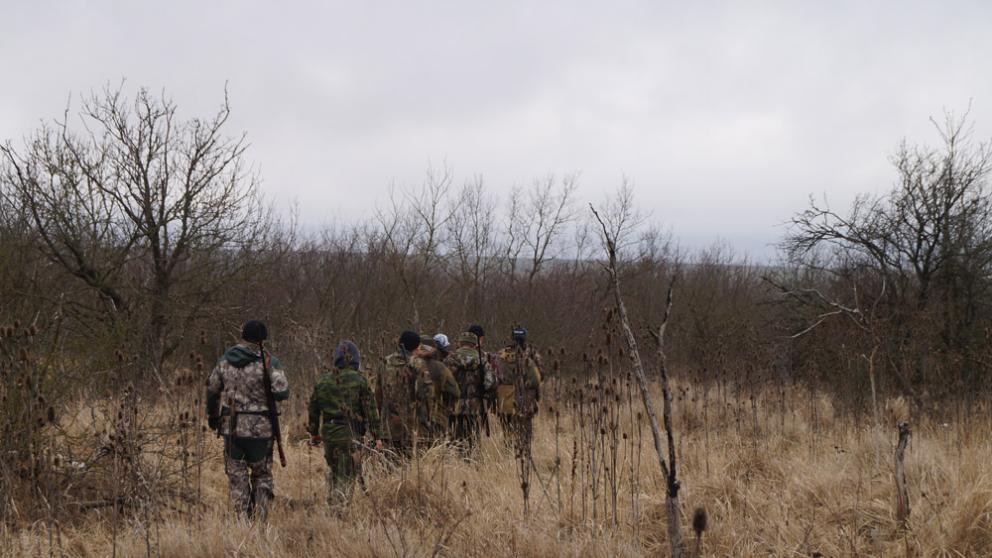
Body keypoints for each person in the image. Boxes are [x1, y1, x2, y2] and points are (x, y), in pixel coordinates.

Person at [205, 320, 289, 520]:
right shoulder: (269, 362)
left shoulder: (224, 361)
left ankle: (242, 521)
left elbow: (212, 390)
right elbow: (282, 392)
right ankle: (259, 519)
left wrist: (213, 417)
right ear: (262, 340)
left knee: (237, 477)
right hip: (261, 431)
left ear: (242, 337)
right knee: (262, 476)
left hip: (232, 429)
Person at [307, 340, 381, 508]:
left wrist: (314, 434)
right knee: (346, 475)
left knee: (335, 471)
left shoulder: (323, 381)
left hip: (329, 434)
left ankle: (334, 506)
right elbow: (371, 411)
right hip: (350, 434)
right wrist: (377, 436)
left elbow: (313, 410)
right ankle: (337, 511)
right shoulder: (360, 381)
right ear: (356, 359)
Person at [444, 329, 495, 452]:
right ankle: (473, 462)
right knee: (473, 436)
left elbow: (443, 382)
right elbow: (490, 383)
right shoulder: (482, 360)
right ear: (474, 344)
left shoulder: (450, 359)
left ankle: (456, 462)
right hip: (475, 405)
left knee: (454, 436)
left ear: (460, 343)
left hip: (454, 405)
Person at [495, 327, 542, 449]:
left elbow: (495, 375)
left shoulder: (501, 354)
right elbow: (540, 375)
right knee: (525, 431)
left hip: (505, 397)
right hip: (525, 398)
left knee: (507, 429)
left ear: (512, 338)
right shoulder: (532, 353)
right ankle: (524, 454)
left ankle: (508, 456)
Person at [376, 331, 421, 455]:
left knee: (387, 462)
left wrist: (381, 416)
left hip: (387, 424)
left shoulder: (384, 362)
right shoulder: (417, 365)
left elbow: (378, 394)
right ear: (416, 348)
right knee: (406, 463)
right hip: (409, 424)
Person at [413, 335, 460, 444]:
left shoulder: (409, 365)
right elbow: (455, 392)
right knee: (435, 449)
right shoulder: (439, 367)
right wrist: (447, 406)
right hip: (436, 416)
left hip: (411, 418)